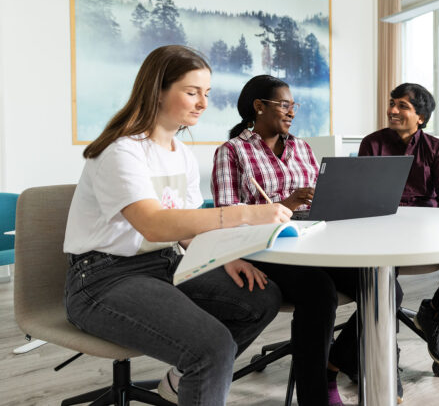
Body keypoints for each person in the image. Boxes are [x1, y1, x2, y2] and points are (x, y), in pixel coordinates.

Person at [64, 45, 287, 406]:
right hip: (103, 278)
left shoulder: (181, 153)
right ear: (157, 90)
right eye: (192, 92)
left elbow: (185, 226)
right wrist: (243, 213)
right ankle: (199, 370)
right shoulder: (121, 150)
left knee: (261, 299)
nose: (203, 103)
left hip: (164, 264)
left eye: (207, 94)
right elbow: (152, 224)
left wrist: (223, 255)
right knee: (211, 347)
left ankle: (181, 381)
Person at [211, 75, 360, 406]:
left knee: (382, 284)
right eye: (284, 104)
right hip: (265, 248)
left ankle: (333, 364)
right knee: (319, 292)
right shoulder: (232, 152)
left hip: (313, 240)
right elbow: (226, 217)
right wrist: (286, 205)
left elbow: (318, 200)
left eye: (294, 105)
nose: (292, 111)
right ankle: (314, 398)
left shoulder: (302, 147)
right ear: (259, 107)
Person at [357, 82, 439, 395]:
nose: (392, 110)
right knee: (387, 289)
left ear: (421, 117)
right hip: (382, 227)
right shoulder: (372, 144)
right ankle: (388, 357)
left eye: (402, 106)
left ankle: (437, 314)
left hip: (426, 228)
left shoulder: (437, 148)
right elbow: (361, 195)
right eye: (392, 103)